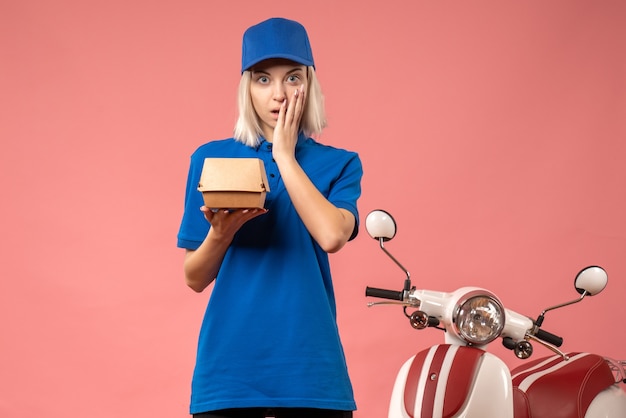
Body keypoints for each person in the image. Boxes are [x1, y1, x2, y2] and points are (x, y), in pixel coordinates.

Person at [177, 17, 363, 418]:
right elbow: (194, 278)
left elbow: (332, 235)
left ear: (309, 83)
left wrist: (283, 153)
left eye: (292, 78)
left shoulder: (340, 164)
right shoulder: (210, 158)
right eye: (263, 79)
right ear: (247, 87)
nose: (278, 94)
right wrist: (221, 234)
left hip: (313, 376)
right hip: (228, 376)